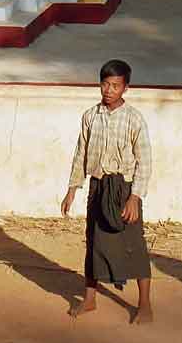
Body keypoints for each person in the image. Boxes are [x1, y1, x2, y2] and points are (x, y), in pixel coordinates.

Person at [61, 58, 153, 323]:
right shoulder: (90, 116)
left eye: (115, 85)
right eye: (105, 84)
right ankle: (89, 299)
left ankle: (145, 304)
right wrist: (72, 189)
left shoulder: (134, 119)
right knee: (93, 242)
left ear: (125, 88)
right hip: (97, 186)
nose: (109, 90)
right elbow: (81, 153)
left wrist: (135, 197)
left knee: (133, 244)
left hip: (123, 188)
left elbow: (144, 161)